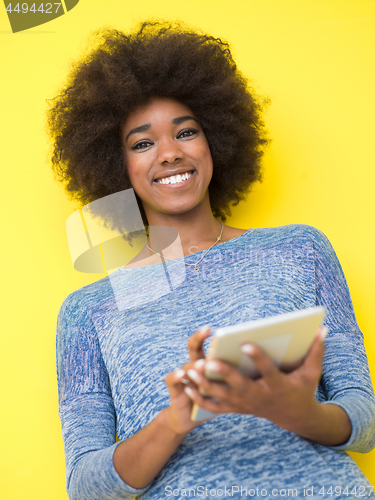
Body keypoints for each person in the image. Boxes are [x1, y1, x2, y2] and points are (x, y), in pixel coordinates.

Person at [48, 21, 375, 500]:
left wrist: (295, 410)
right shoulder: (89, 311)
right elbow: (85, 487)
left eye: (187, 132)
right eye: (143, 142)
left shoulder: (300, 249)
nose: (170, 154)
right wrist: (176, 418)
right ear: (116, 166)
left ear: (215, 140)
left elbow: (363, 419)